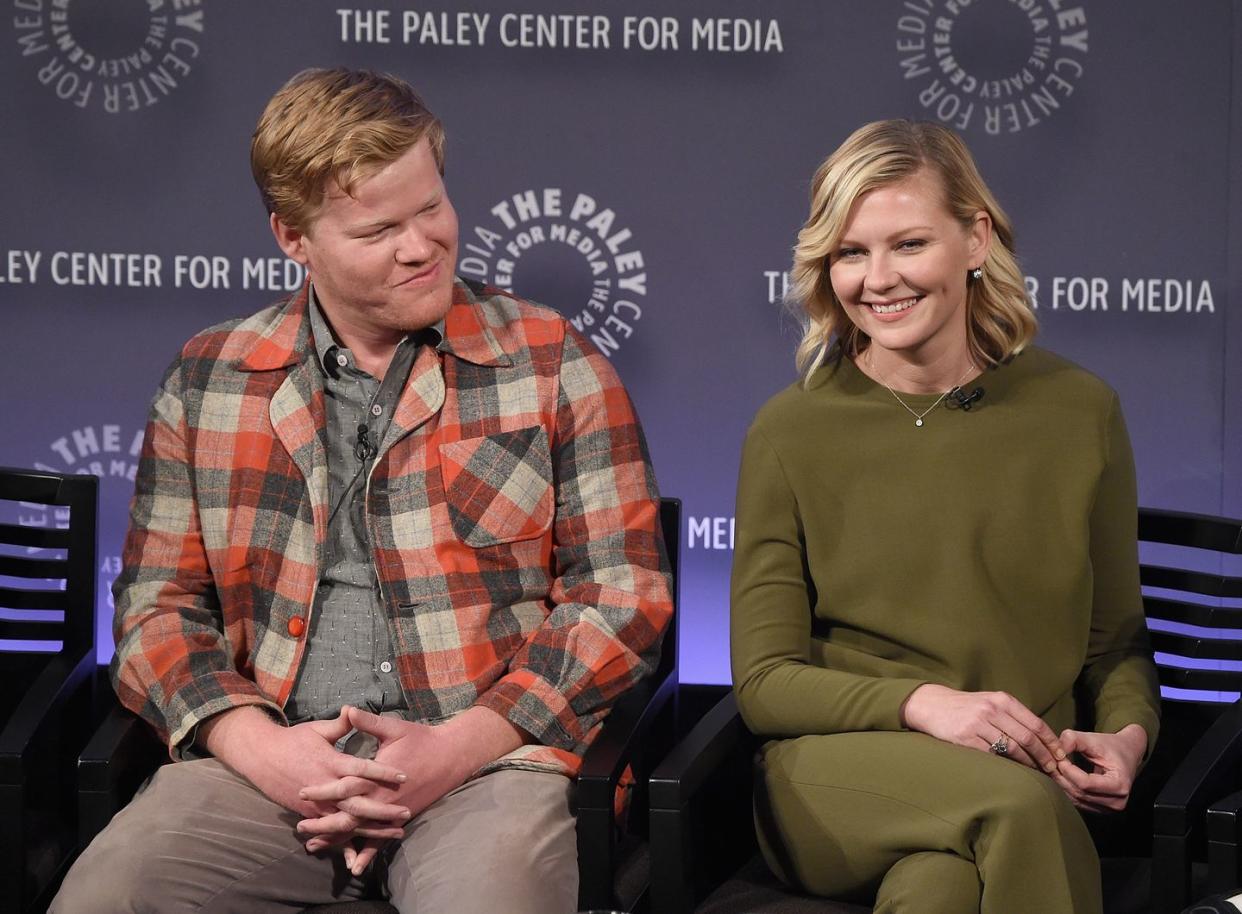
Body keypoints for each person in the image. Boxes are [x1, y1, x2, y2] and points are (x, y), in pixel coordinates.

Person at [52, 67, 672, 914]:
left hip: (484, 766)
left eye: (431, 208)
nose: (421, 245)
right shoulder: (212, 378)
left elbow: (622, 597)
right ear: (293, 237)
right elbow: (157, 610)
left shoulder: (550, 360)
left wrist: (454, 750)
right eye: (378, 228)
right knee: (109, 896)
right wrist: (262, 749)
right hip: (270, 769)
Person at [730, 119, 1159, 913]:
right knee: (1020, 810)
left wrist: (1128, 735)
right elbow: (763, 682)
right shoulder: (790, 430)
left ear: (975, 240)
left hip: (1023, 767)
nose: (877, 278)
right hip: (840, 773)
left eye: (908, 244)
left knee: (941, 892)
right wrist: (924, 703)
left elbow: (1116, 640)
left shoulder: (1079, 410)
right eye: (851, 252)